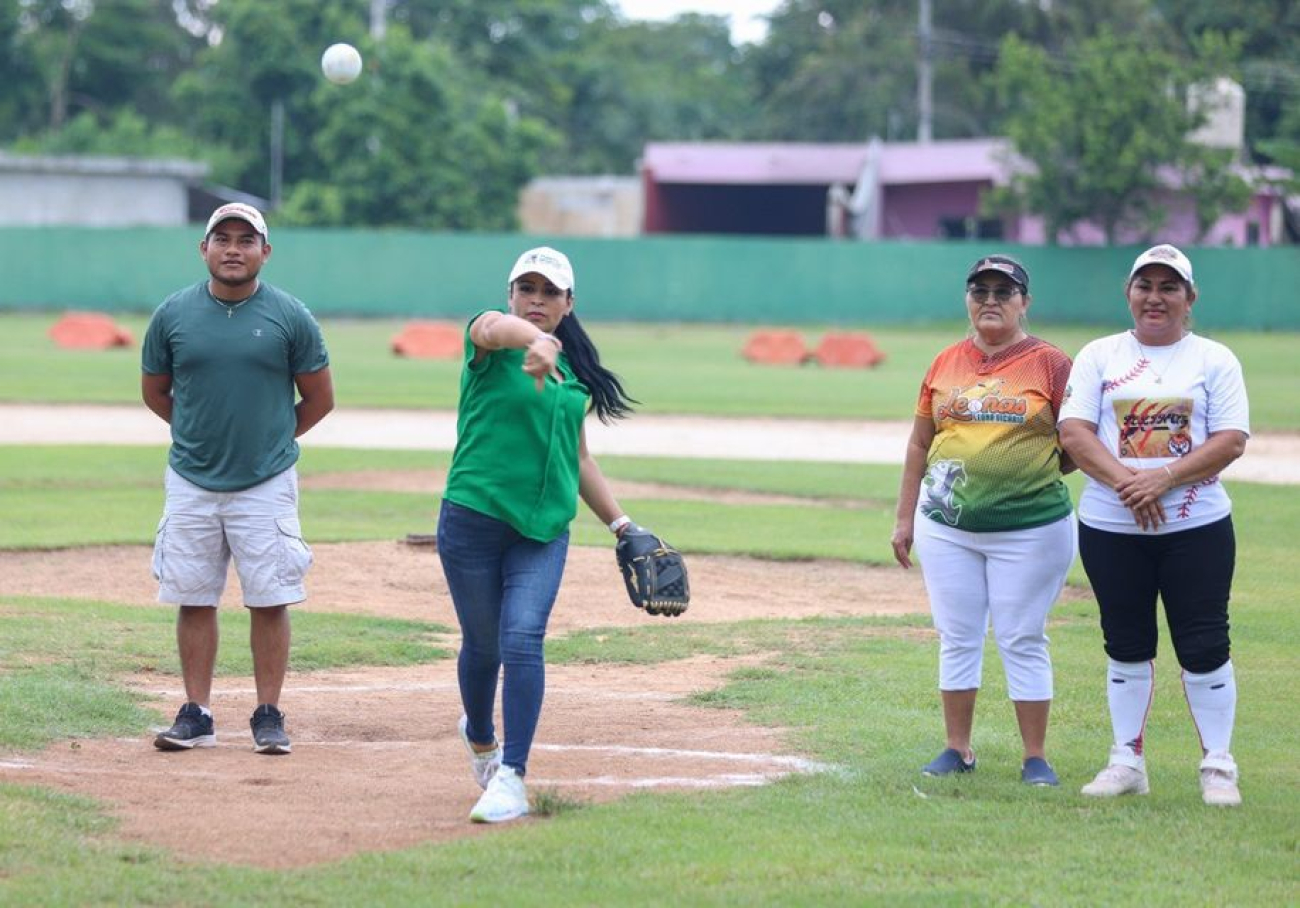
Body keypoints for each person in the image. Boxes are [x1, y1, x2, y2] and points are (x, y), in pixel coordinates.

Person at [437, 246, 639, 823]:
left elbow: (580, 461)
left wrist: (623, 525)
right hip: (473, 519)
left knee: (522, 639)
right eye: (527, 289)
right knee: (483, 646)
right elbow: (496, 329)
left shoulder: (572, 380)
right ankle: (480, 736)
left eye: (550, 292)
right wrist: (532, 340)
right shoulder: (489, 341)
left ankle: (512, 775)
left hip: (544, 530)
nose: (537, 300)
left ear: (569, 303)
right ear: (510, 295)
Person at [1058, 244, 1249, 806]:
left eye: (1169, 287)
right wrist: (1128, 484)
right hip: (1111, 527)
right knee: (1125, 643)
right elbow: (1073, 432)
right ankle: (1126, 761)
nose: (1155, 298)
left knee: (1205, 642)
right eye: (1145, 286)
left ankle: (1218, 765)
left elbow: (1231, 440)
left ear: (1190, 299)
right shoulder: (1099, 355)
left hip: (1197, 528)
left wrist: (1160, 479)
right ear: (1128, 293)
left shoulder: (1214, 359)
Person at [141, 202, 334, 757]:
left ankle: (268, 714)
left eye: (245, 240)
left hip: (266, 480)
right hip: (191, 479)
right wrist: (198, 433)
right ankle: (196, 713)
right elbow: (155, 391)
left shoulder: (289, 316)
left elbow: (319, 398)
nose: (232, 248)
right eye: (221, 238)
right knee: (192, 595)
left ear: (264, 252)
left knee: (269, 597)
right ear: (203, 248)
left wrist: (273, 438)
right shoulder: (173, 315)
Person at [891, 254, 1076, 786]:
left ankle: (1035, 756)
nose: (990, 300)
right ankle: (957, 749)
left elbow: (1076, 441)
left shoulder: (1050, 364)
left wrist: (1033, 469)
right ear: (968, 299)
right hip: (947, 527)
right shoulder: (945, 361)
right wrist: (904, 518)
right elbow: (921, 442)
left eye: (1003, 291)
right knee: (958, 635)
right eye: (980, 291)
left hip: (1031, 528)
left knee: (1021, 635)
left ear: (1024, 301)